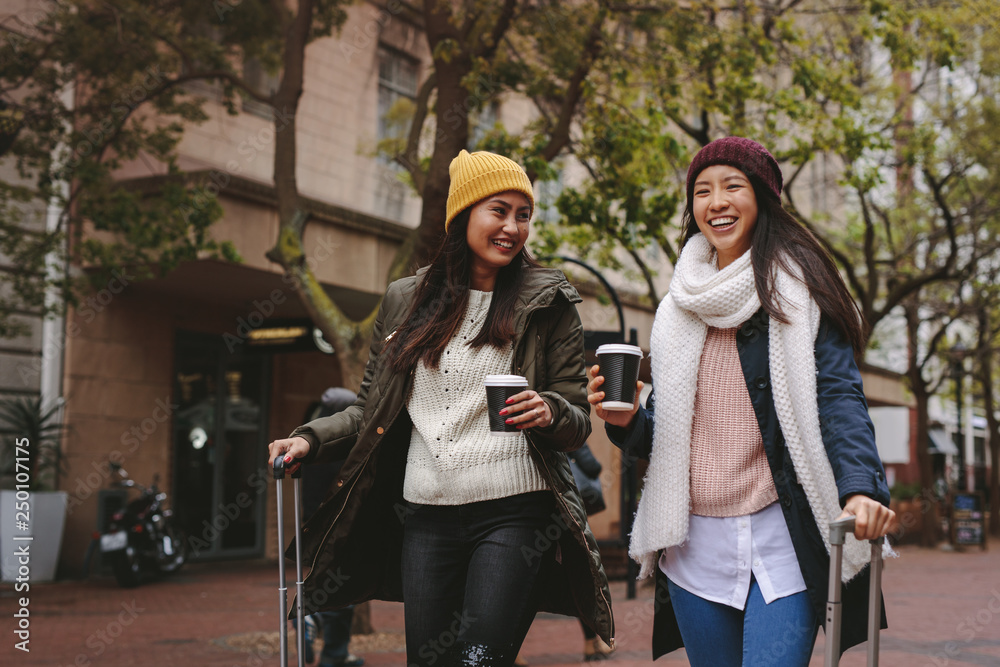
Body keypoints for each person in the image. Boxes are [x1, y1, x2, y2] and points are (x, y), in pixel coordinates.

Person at [268, 150, 613, 666]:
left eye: (523, 215)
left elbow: (576, 417)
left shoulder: (549, 300)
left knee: (479, 660)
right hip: (426, 516)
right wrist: (309, 439)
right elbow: (370, 411)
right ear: (463, 215)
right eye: (499, 210)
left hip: (515, 512)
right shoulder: (406, 299)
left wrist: (548, 410)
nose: (513, 227)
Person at [587, 136, 896, 665]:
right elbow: (665, 437)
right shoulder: (679, 304)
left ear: (763, 198)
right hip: (693, 545)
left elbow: (839, 397)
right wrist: (626, 420)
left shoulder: (803, 290)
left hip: (784, 537)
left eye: (733, 186)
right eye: (702, 191)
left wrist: (861, 488)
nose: (716, 201)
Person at [298, 388, 364, 667]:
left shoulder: (312, 443)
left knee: (327, 581)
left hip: (312, 524)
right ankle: (332, 648)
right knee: (341, 587)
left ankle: (324, 634)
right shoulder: (341, 447)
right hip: (340, 526)